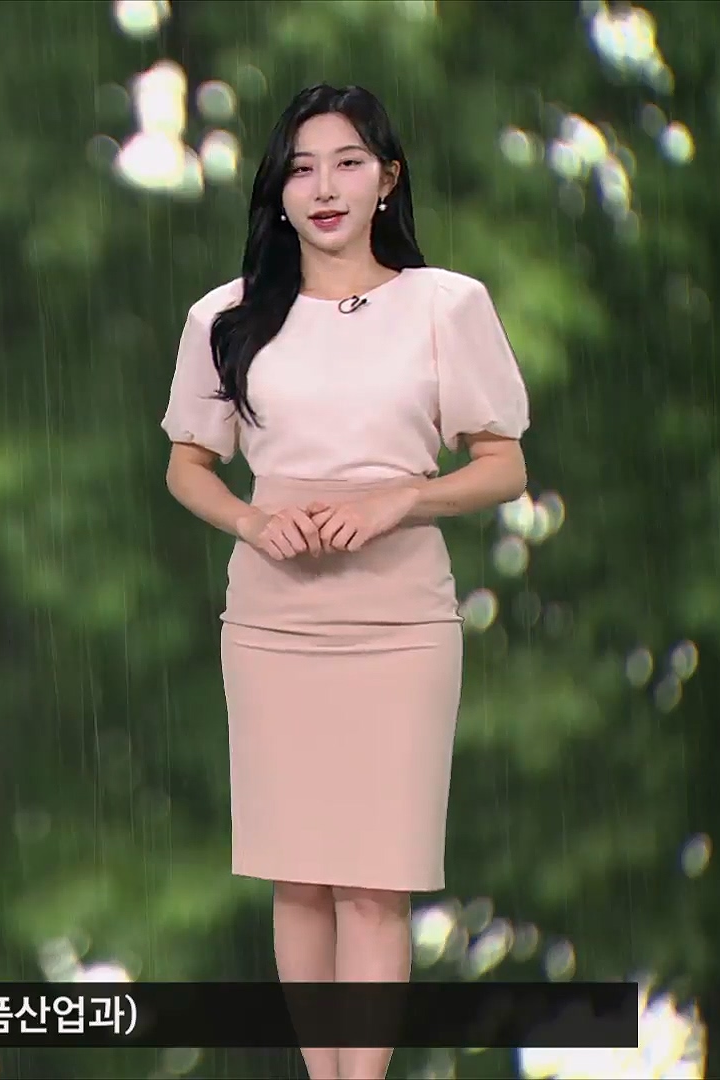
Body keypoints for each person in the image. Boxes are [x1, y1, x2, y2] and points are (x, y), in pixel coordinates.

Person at [160, 84, 531, 1080]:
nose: (324, 188)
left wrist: (400, 500)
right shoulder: (226, 316)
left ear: (387, 180)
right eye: (302, 168)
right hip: (273, 621)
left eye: (349, 163)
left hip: (400, 618)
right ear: (278, 191)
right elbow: (188, 466)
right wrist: (254, 520)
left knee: (375, 877)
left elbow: (503, 466)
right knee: (300, 877)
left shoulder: (446, 305)